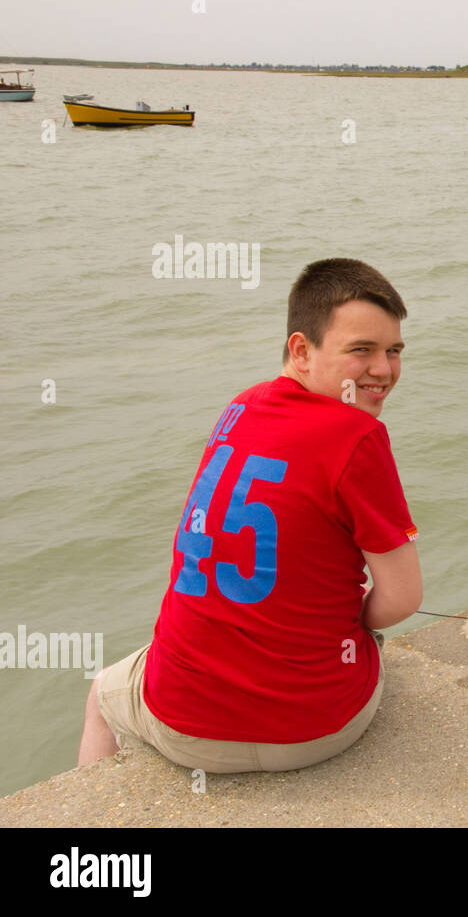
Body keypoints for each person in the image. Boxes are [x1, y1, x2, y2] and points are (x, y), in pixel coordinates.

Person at [78, 258, 423, 773]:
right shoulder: (360, 437)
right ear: (302, 351)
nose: (383, 369)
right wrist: (353, 621)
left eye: (394, 351)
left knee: (102, 691)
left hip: (183, 728)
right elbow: (402, 599)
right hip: (318, 730)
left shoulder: (240, 407)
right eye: (362, 350)